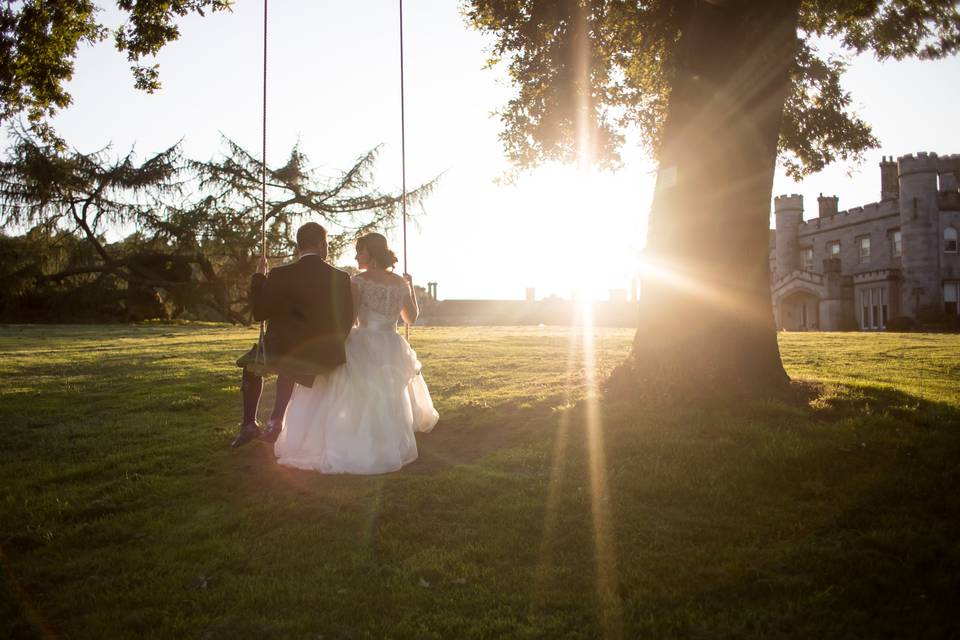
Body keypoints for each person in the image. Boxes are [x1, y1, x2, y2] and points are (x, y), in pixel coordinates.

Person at [275, 232, 439, 474]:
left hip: (363, 341)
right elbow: (411, 318)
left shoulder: (358, 282)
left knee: (353, 392)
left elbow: (349, 320)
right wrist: (410, 287)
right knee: (387, 396)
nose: (356, 256)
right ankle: (385, 440)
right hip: (392, 344)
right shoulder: (400, 283)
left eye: (360, 251)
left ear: (371, 253)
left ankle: (356, 441)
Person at [231, 222, 353, 448]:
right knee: (289, 367)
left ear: (299, 246)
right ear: (319, 244)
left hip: (281, 349)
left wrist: (259, 278)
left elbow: (259, 313)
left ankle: (249, 424)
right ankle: (275, 421)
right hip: (322, 355)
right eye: (325, 243)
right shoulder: (340, 277)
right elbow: (346, 323)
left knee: (252, 367)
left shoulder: (280, 274)